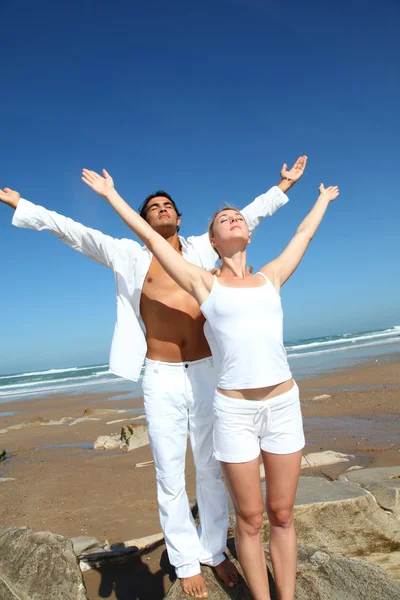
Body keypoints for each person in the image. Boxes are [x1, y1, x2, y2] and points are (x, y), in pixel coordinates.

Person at [0, 157, 307, 599]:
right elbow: (72, 230)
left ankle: (215, 552)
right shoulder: (126, 253)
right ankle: (185, 560)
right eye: (152, 207)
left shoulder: (203, 249)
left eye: (168, 205)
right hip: (160, 375)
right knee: (168, 472)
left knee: (211, 467)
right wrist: (23, 204)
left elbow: (249, 215)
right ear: (143, 220)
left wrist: (283, 185)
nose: (161, 208)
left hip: (209, 374)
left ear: (180, 217)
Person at [80, 167, 338, 600]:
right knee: (251, 518)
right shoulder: (203, 282)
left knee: (280, 512)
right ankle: (206, 565)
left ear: (249, 235)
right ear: (211, 244)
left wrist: (319, 199)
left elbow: (303, 236)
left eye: (239, 217)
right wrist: (110, 194)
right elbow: (145, 233)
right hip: (228, 405)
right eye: (224, 219)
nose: (235, 218)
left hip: (281, 404)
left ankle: (249, 573)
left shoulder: (270, 276)